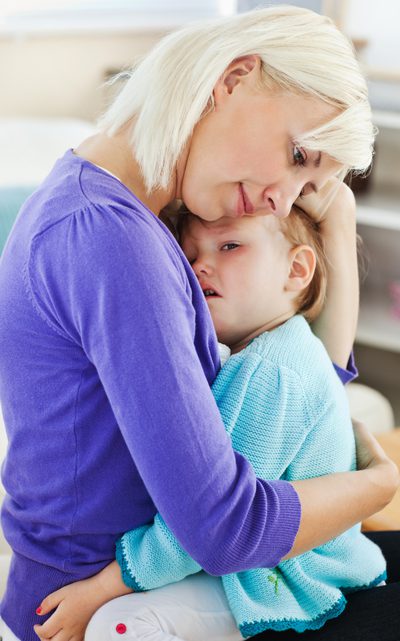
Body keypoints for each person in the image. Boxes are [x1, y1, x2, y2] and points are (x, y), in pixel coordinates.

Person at [0, 6, 398, 641]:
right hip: (100, 605)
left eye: (306, 186)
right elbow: (225, 528)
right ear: (234, 79)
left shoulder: (123, 211)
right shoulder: (112, 240)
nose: (283, 200)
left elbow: (292, 391)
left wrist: (339, 224)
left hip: (154, 578)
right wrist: (373, 485)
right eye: (297, 154)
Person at [33, 207, 387, 641]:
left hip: (291, 583)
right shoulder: (283, 349)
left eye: (230, 246)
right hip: (266, 564)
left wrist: (102, 588)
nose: (200, 266)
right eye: (190, 254)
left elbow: (211, 522)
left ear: (296, 270)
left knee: (119, 625)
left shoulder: (269, 373)